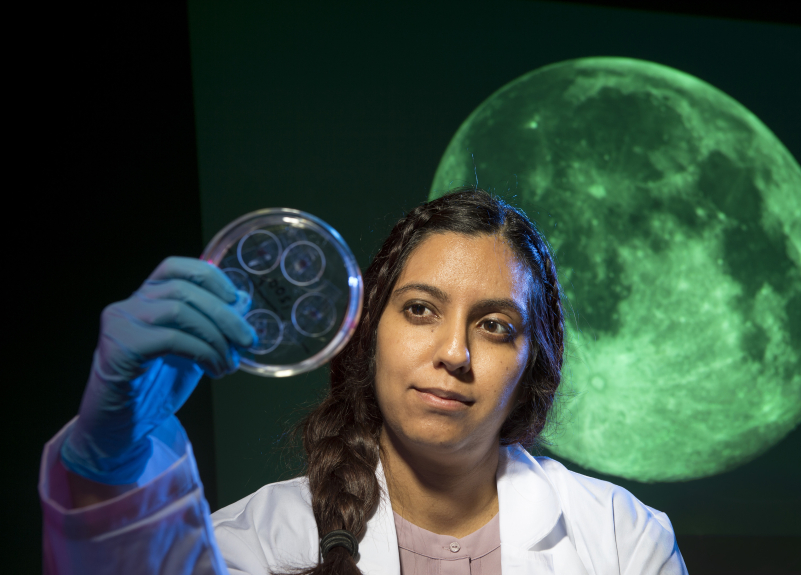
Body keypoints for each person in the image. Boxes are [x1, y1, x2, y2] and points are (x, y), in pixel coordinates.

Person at [40, 188, 688, 575]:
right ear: (369, 335)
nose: (454, 352)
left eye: (494, 325)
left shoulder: (621, 537)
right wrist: (111, 452)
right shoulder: (253, 541)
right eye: (420, 310)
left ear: (532, 369)